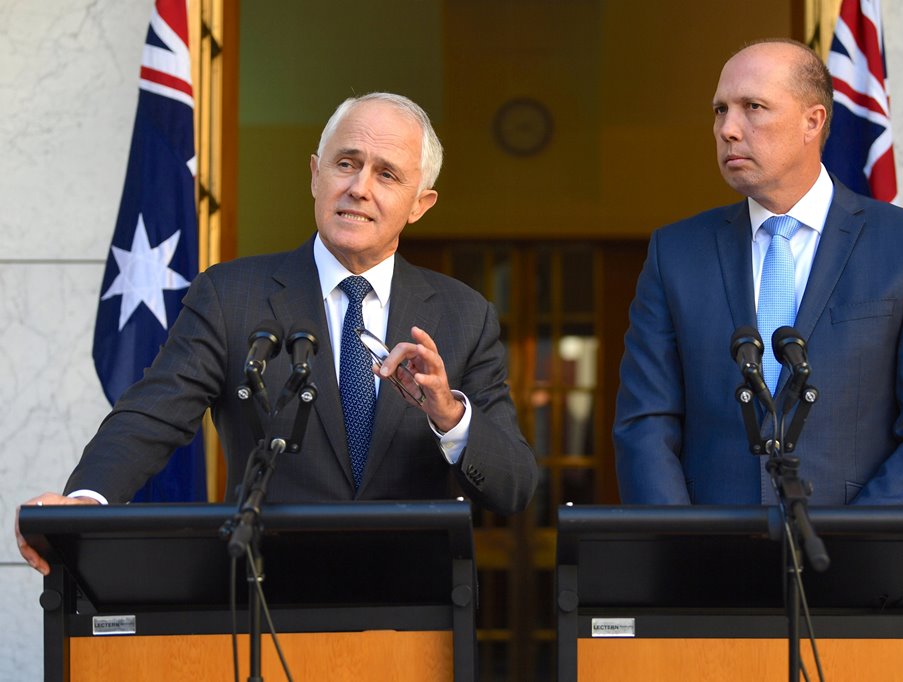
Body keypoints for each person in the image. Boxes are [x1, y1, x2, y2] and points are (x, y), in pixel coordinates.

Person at [18, 92, 538, 574]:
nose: (359, 187)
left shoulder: (464, 315)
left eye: (387, 175)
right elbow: (155, 412)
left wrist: (450, 415)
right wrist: (85, 502)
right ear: (316, 175)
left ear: (420, 204)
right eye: (346, 163)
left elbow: (514, 486)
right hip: (267, 598)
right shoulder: (230, 294)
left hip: (412, 613)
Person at [614, 39, 903, 506]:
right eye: (720, 110)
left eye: (753, 107)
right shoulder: (675, 253)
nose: (728, 129)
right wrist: (686, 550)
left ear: (812, 121)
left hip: (852, 564)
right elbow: (646, 424)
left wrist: (854, 548)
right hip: (710, 564)